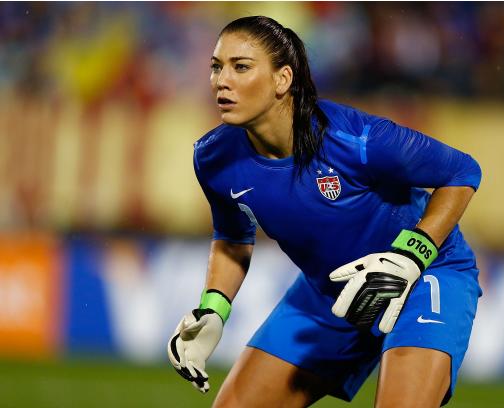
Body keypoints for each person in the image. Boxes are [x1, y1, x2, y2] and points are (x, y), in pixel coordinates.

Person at [167, 15, 482, 408]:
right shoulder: (213, 158)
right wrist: (213, 309)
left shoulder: (354, 138)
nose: (221, 81)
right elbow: (232, 237)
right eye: (216, 67)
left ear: (282, 80)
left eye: (240, 67)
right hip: (329, 294)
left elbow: (462, 171)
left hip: (424, 275)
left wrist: (410, 256)